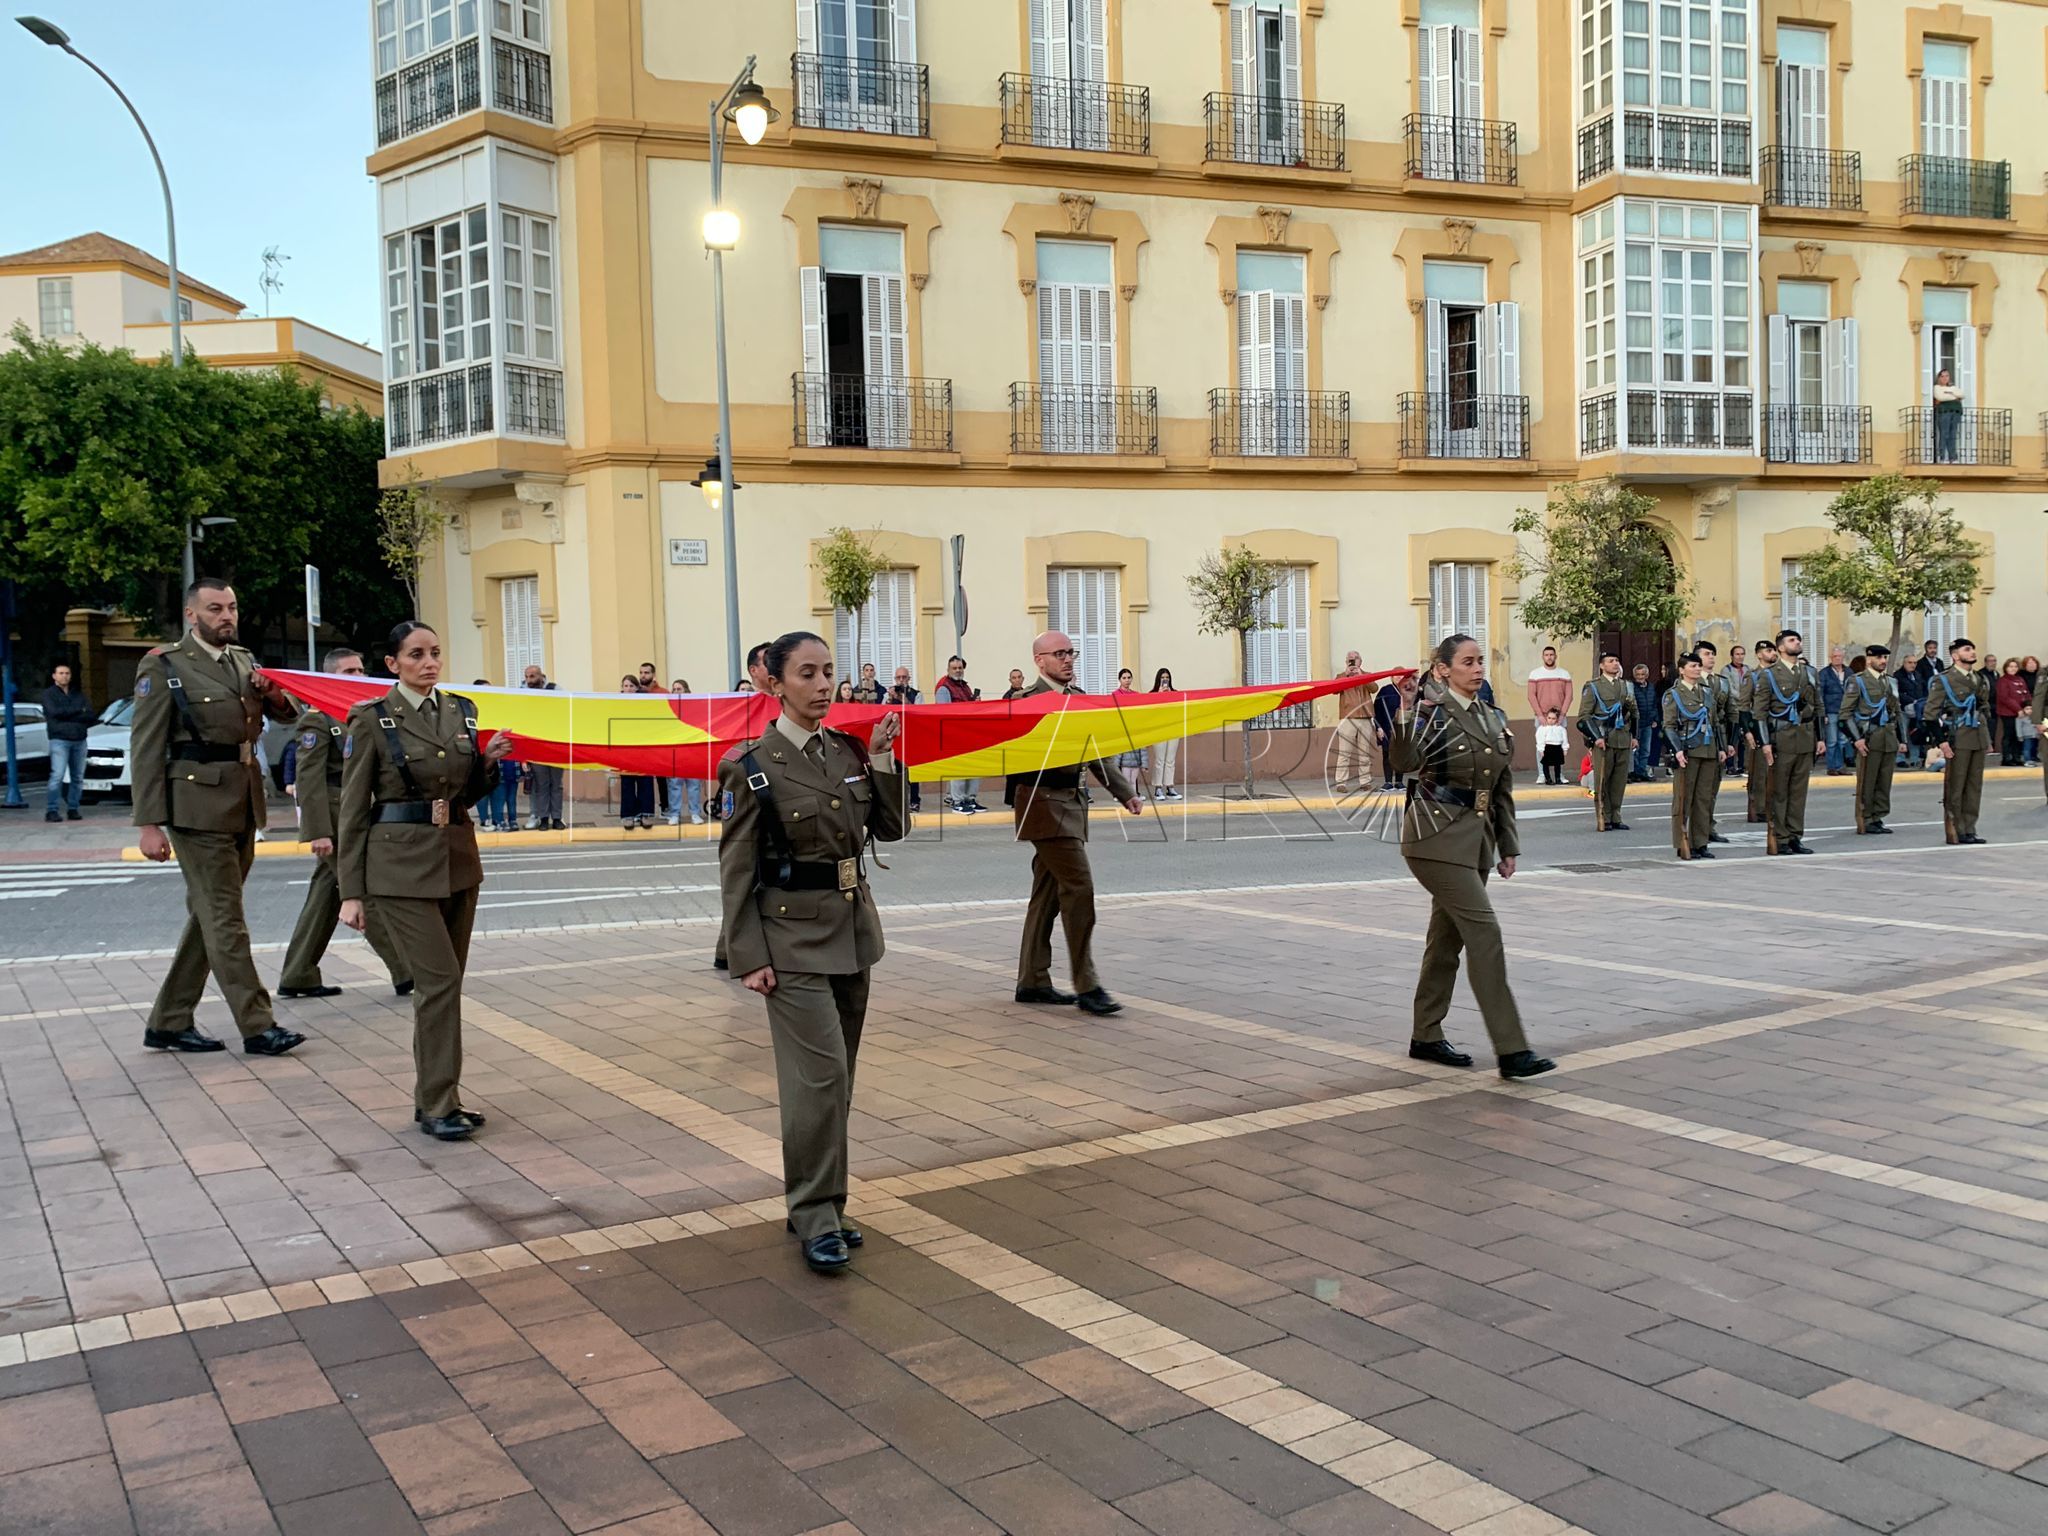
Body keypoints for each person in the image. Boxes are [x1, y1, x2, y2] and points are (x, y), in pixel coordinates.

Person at [716, 631, 906, 1275]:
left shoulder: (847, 751)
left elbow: (891, 828)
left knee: (836, 1080)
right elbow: (736, 868)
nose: (823, 684)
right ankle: (815, 1212)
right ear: (774, 683)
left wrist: (883, 760)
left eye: (828, 671)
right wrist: (747, 955)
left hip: (852, 933)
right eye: (807, 673)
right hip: (790, 940)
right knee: (818, 1079)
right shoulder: (752, 765)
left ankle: (826, 1201)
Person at [338, 622, 513, 1140]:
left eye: (435, 652)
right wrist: (351, 892)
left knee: (447, 983)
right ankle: (439, 1103)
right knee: (438, 982)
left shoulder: (461, 711)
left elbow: (463, 794)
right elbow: (353, 809)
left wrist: (487, 763)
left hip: (456, 859)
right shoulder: (371, 718)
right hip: (398, 868)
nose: (429, 662)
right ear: (393, 664)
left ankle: (434, 1098)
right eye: (416, 655)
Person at [131, 578, 305, 1057]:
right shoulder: (164, 665)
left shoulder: (243, 660)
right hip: (195, 806)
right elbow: (146, 748)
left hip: (242, 800)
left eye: (231, 607)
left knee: (210, 915)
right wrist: (148, 824)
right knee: (226, 919)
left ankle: (169, 1021)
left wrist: (273, 694)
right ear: (191, 614)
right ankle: (258, 1025)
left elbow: (288, 713)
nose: (226, 616)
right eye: (214, 608)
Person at [1390, 634, 1552, 1080]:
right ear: (1442, 670)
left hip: (1474, 843)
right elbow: (1404, 763)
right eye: (1467, 661)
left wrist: (1507, 845)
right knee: (1485, 933)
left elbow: (1500, 788)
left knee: (1446, 942)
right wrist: (1405, 709)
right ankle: (1512, 1049)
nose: (1478, 668)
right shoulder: (1429, 714)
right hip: (1433, 839)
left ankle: (1425, 1035)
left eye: (1480, 660)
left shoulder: (1491, 716)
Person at [1010, 631, 1143, 1016]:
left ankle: (1032, 981)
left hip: (1071, 805)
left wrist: (1125, 792)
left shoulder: (1078, 698)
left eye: (1071, 652)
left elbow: (1096, 753)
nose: (1068, 659)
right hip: (1043, 806)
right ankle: (1087, 985)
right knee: (1079, 888)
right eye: (1059, 653)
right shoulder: (1025, 701)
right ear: (1039, 660)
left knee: (1047, 895)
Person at [278, 649, 414, 1001]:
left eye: (360, 670)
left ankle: (298, 973)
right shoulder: (318, 719)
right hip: (334, 818)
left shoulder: (363, 714)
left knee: (325, 895)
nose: (358, 676)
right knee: (362, 889)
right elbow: (308, 778)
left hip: (357, 813)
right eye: (349, 671)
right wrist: (317, 830)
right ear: (330, 676)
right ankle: (406, 972)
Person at [714, 641, 776, 971]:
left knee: (764, 870)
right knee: (741, 868)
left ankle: (730, 945)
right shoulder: (739, 705)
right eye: (769, 661)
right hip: (746, 790)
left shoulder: (788, 701)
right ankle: (732, 948)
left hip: (774, 793)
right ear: (754, 670)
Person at [1753, 628, 1821, 855]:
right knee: (1780, 792)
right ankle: (1780, 838)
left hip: (1805, 736)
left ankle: (1795, 836)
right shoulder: (1769, 675)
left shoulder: (1810, 672)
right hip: (1781, 738)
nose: (1797, 642)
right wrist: (1765, 743)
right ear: (1781, 647)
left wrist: (1820, 738)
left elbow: (1818, 706)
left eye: (1798, 639)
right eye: (1792, 640)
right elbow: (1760, 713)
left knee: (1799, 792)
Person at [1927, 637, 1993, 844]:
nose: (1972, 652)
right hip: (1958, 736)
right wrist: (1942, 742)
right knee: (1956, 786)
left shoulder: (1979, 678)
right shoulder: (1944, 679)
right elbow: (1930, 714)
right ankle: (1956, 828)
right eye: (1967, 650)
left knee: (1974, 786)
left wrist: (1987, 739)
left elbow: (1984, 708)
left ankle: (1970, 828)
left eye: (1973, 649)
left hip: (1978, 735)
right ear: (1955, 656)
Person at [1661, 652, 1720, 861]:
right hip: (1687, 751)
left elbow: (1714, 723)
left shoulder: (1706, 692)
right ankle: (1682, 842)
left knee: (1703, 799)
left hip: (1708, 749)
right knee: (1683, 799)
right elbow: (1669, 725)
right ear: (1682, 670)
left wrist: (1721, 748)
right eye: (1693, 666)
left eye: (1698, 666)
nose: (1697, 669)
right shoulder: (1674, 694)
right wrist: (1677, 750)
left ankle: (1700, 842)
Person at [1841, 644, 1901, 835]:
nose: (1883, 661)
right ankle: (1865, 817)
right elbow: (1845, 713)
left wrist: (1902, 739)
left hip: (1888, 737)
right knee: (1868, 781)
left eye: (1885, 658)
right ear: (1869, 659)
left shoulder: (1891, 681)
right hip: (1869, 738)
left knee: (1884, 781)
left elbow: (1897, 711)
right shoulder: (1857, 681)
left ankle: (1878, 816)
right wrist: (1856, 739)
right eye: (1879, 658)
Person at [1574, 653, 1636, 831]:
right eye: (1610, 661)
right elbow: (1584, 716)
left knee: (1619, 781)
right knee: (1603, 780)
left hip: (1623, 737)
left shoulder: (1626, 686)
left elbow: (1634, 712)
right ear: (1602, 666)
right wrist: (1596, 738)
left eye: (1617, 661)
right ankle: (1604, 816)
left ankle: (1616, 816)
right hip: (1603, 738)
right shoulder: (1593, 686)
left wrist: (1634, 736)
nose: (1615, 664)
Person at [39, 662, 93, 823]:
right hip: (59, 739)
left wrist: (68, 714)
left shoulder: (78, 694)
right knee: (57, 775)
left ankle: (73, 808)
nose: (64, 676)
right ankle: (52, 810)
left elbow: (89, 714)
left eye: (67, 673)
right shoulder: (48, 694)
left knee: (78, 777)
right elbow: (54, 712)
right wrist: (78, 711)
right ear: (54, 676)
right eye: (61, 673)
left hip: (79, 740)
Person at [1694, 641, 1735, 846]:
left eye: (1712, 654)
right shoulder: (1691, 681)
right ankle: (1697, 829)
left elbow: (1731, 712)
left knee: (1712, 787)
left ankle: (1709, 826)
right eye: (1706, 654)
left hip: (1718, 737)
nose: (1711, 657)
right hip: (1697, 738)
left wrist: (1730, 742)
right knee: (1698, 789)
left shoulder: (1722, 682)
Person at [933, 655, 986, 813]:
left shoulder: (964, 686)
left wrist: (975, 704)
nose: (958, 670)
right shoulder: (944, 688)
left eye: (960, 668)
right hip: (954, 733)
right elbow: (944, 713)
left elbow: (968, 707)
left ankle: (970, 798)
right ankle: (958, 801)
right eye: (954, 668)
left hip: (969, 732)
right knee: (959, 768)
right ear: (948, 669)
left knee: (974, 767)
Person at [520, 664, 566, 830]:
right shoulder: (522, 694)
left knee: (556, 785)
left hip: (555, 746)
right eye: (527, 677)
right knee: (541, 785)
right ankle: (544, 818)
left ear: (541, 676)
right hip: (536, 748)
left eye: (532, 676)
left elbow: (565, 712)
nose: (529, 680)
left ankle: (557, 818)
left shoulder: (556, 690)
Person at [1740, 638, 1777, 821]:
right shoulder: (1752, 676)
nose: (1773, 653)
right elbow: (1744, 706)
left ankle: (1772, 806)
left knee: (1775, 771)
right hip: (1757, 729)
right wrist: (1748, 731)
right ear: (1759, 654)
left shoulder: (1777, 674)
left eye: (1773, 650)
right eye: (1768, 651)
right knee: (1759, 772)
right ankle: (1759, 809)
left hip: (1776, 728)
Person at [614, 676, 656, 829]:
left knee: (645, 782)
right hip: (625, 750)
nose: (629, 689)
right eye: (626, 686)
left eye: (631, 686)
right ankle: (628, 816)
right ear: (622, 688)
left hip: (644, 749)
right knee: (627, 783)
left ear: (637, 688)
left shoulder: (646, 704)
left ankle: (646, 814)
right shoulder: (616, 705)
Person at [665, 678, 706, 826]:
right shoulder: (669, 709)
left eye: (679, 689)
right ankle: (674, 814)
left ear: (686, 691)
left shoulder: (694, 708)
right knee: (674, 784)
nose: (676, 692)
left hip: (692, 751)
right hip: (675, 751)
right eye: (674, 689)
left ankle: (695, 813)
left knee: (693, 784)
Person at [1332, 650, 1373, 793]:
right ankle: (1341, 783)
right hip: (1347, 718)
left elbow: (1374, 688)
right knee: (1344, 752)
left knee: (1364, 753)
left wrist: (1361, 676)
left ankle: (1365, 782)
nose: (1353, 661)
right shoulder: (1341, 677)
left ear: (1360, 661)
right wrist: (1346, 674)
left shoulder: (1367, 675)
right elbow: (1334, 689)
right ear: (1346, 662)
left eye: (1355, 658)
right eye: (1350, 659)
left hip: (1365, 718)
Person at [1110, 668, 1151, 800]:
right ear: (1120, 680)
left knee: (1133, 765)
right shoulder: (1115, 695)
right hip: (1120, 730)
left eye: (1129, 677)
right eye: (1124, 678)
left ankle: (1134, 794)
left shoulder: (1136, 695)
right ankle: (1119, 794)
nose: (1127, 680)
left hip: (1133, 730)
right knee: (1120, 765)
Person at [1146, 668, 1182, 800]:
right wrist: (1159, 695)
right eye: (1162, 678)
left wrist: (1171, 695)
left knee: (1170, 759)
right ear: (1158, 679)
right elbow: (1151, 713)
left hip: (1173, 729)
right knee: (1160, 759)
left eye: (1167, 677)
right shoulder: (1152, 694)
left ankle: (1170, 787)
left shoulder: (1175, 693)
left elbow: (1179, 710)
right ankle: (1158, 788)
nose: (1165, 680)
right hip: (1159, 730)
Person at [1525, 646, 1573, 732]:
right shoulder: (1535, 674)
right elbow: (1531, 696)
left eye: (1551, 655)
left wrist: (1562, 715)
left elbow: (1569, 696)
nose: (1549, 657)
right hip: (1541, 717)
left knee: (1560, 740)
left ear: (1555, 656)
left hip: (1559, 718)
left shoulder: (1564, 674)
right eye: (1546, 655)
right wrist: (1540, 716)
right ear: (1542, 657)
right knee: (1542, 740)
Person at [1819, 646, 1851, 775]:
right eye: (1835, 656)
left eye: (1839, 656)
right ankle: (1831, 767)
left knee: (1842, 740)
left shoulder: (1849, 672)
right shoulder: (1824, 673)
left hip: (1845, 712)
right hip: (1831, 710)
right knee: (1832, 741)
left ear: (1843, 657)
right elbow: (1820, 694)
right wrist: (1823, 713)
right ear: (1830, 658)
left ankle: (1840, 766)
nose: (1837, 658)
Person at [1994, 657, 2030, 767]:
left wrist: (2028, 706)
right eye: (2010, 666)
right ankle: (2007, 758)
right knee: (2009, 735)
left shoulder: (2020, 679)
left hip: (2021, 713)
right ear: (2006, 668)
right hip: (2008, 713)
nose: (2013, 669)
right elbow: (2004, 698)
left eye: (2015, 666)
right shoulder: (2003, 681)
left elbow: (2026, 694)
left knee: (2018, 736)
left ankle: (2016, 757)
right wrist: (2018, 709)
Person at [1627, 663, 1658, 781]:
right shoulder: (1632, 687)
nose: (1640, 677)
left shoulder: (1651, 687)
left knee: (1646, 749)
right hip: (1635, 723)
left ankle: (1642, 771)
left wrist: (1655, 719)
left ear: (1647, 675)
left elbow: (1654, 704)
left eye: (1642, 674)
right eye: (1638, 675)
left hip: (1648, 723)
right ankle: (1634, 772)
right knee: (1635, 749)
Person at [1373, 674, 1405, 789]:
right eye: (1396, 675)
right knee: (1387, 754)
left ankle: (1399, 781)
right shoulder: (1385, 690)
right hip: (1387, 728)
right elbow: (1376, 710)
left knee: (1401, 755)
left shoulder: (1408, 690)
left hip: (1403, 728)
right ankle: (1388, 782)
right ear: (1391, 677)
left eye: (1401, 675)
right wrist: (1378, 727)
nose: (1399, 677)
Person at [1724, 642, 1750, 776]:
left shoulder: (1748, 669)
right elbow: (1729, 688)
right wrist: (1743, 697)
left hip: (1746, 708)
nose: (1740, 657)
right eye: (1737, 654)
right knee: (1732, 737)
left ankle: (1742, 765)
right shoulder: (1726, 670)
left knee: (1744, 737)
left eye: (1742, 654)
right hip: (1734, 708)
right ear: (1732, 656)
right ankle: (1730, 765)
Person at [1932, 368, 1964, 463]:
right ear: (1939, 378)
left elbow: (1962, 395)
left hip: (1955, 412)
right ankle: (1942, 457)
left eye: (1947, 376)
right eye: (1942, 376)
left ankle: (1952, 457)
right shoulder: (1937, 387)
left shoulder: (1953, 387)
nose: (1945, 378)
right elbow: (1940, 397)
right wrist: (1954, 396)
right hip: (1944, 412)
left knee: (1953, 435)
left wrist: (1949, 393)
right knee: (1944, 434)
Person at [1534, 708, 1567, 785]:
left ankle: (1558, 778)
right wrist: (1541, 749)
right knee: (1545, 764)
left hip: (1557, 747)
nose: (1551, 720)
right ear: (1546, 718)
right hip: (1547, 747)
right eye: (1549, 718)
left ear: (1557, 719)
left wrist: (1565, 748)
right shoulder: (1542, 728)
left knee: (1557, 764)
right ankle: (1548, 778)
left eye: (1553, 718)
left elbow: (1565, 739)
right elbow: (1540, 739)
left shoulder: (1561, 729)